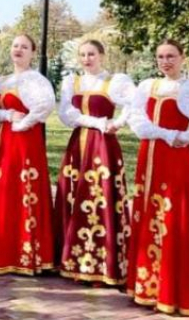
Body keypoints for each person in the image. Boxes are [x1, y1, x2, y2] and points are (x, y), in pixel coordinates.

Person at [126, 39, 189, 316]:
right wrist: (165, 134)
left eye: (171, 56)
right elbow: (136, 120)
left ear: (182, 57)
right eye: (160, 56)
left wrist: (185, 135)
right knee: (148, 215)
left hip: (176, 158)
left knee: (174, 217)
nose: (165, 61)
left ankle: (178, 291)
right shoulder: (147, 86)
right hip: (150, 158)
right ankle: (148, 286)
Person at [55, 38, 135, 286]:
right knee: (73, 194)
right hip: (78, 145)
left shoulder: (115, 81)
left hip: (103, 147)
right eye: (83, 54)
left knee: (100, 196)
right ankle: (71, 259)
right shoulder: (73, 81)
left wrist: (117, 123)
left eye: (91, 54)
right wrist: (97, 122)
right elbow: (66, 113)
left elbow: (135, 103)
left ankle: (103, 263)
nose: (87, 59)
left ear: (101, 55)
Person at [0, 34, 57, 275]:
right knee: (5, 190)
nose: (19, 50)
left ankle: (28, 254)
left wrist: (22, 123)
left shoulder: (36, 80)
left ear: (32, 52)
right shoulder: (1, 81)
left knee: (26, 190)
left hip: (26, 140)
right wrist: (7, 117)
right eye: (15, 46)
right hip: (5, 141)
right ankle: (3, 252)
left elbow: (45, 106)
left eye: (24, 47)